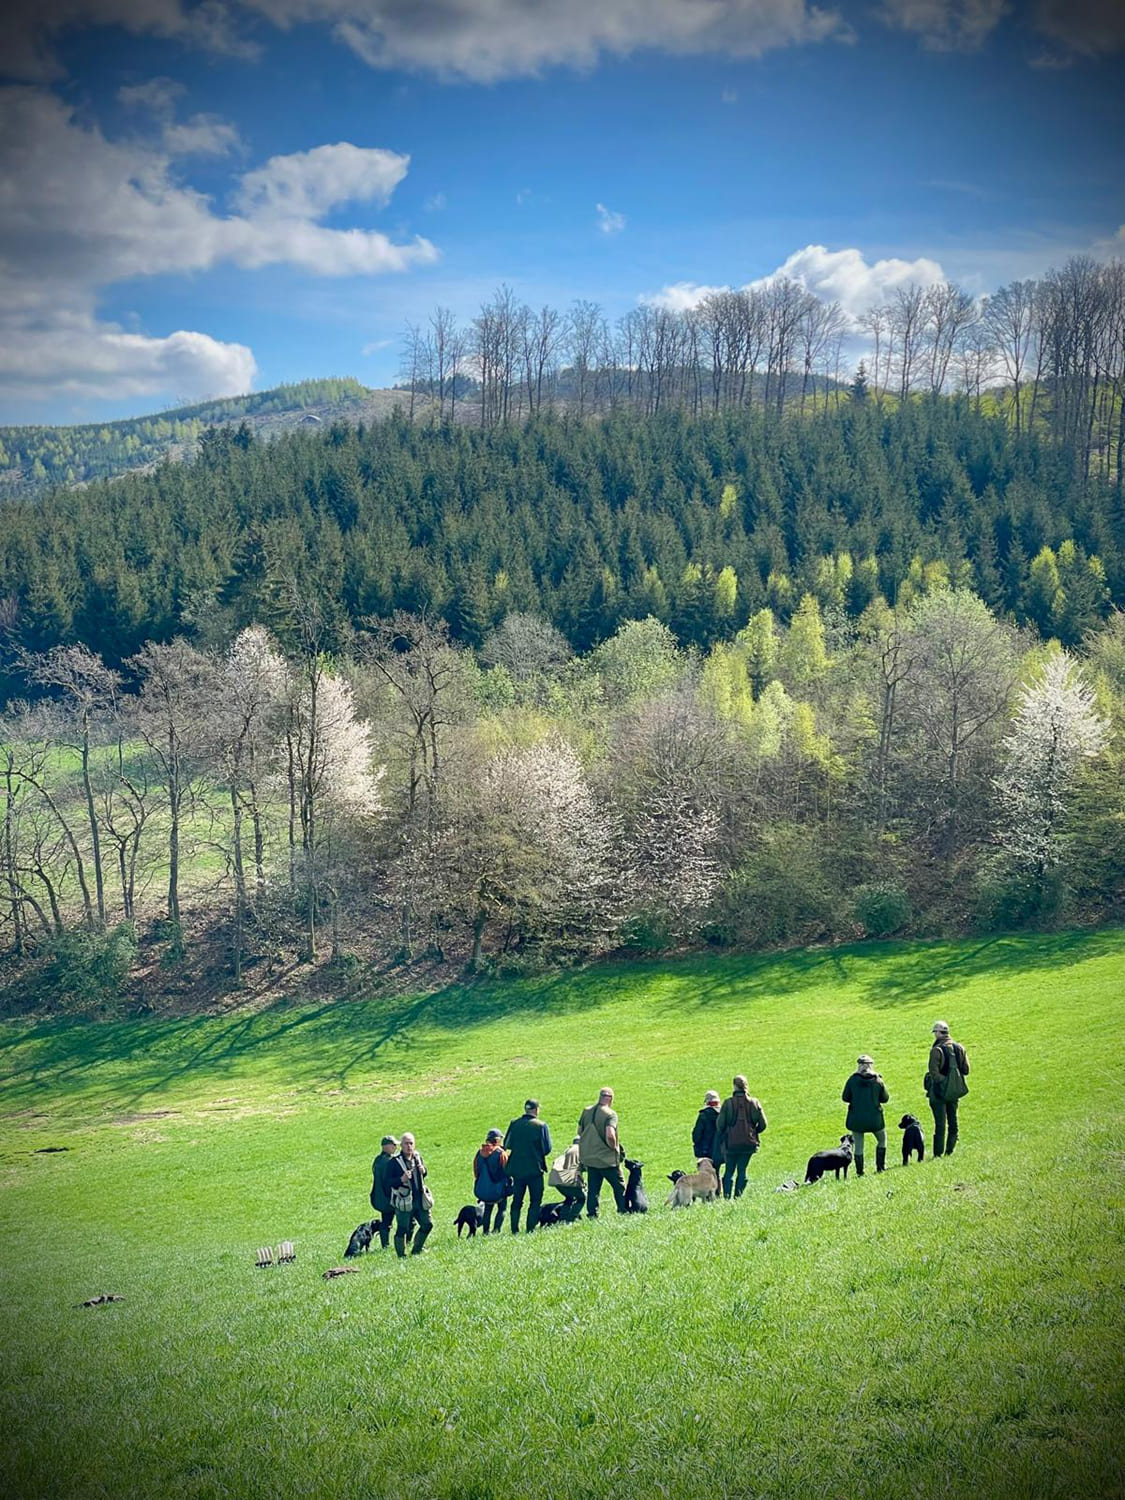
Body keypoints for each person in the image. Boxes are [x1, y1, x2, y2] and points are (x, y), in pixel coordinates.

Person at [503, 1099, 553, 1233]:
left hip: (517, 1170)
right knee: (535, 1200)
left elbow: (507, 1144)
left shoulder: (514, 1124)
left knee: (517, 1200)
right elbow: (547, 1148)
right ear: (536, 1109)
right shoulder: (541, 1126)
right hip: (535, 1169)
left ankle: (514, 1229)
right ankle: (530, 1228)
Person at [577, 1087, 628, 1217]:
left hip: (590, 1158)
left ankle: (592, 1214)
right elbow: (610, 1134)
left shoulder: (586, 1111)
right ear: (610, 1099)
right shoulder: (610, 1114)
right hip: (606, 1159)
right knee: (619, 1187)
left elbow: (579, 1132)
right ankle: (623, 1210)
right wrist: (614, 1147)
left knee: (594, 1189)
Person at [714, 1075, 767, 1198]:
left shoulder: (728, 1103)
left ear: (734, 1086)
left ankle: (727, 1198)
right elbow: (764, 1124)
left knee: (729, 1171)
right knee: (742, 1171)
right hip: (748, 1144)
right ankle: (738, 1197)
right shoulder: (754, 1103)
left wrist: (725, 1135)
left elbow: (720, 1125)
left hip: (731, 1144)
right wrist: (753, 1132)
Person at [926, 1020, 970, 1157]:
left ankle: (938, 1154)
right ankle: (949, 1151)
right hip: (954, 1091)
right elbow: (966, 1070)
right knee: (953, 1121)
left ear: (939, 1033)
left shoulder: (936, 1050)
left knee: (940, 1124)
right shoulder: (959, 1048)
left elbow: (933, 1073)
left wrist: (943, 1082)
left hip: (938, 1092)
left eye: (935, 1032)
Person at [386, 1132, 432, 1257]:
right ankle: (401, 1255)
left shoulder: (418, 1157)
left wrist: (424, 1171)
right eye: (406, 1143)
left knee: (427, 1225)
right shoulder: (394, 1162)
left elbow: (423, 1174)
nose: (409, 1146)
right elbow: (388, 1182)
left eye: (411, 1143)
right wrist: (401, 1179)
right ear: (401, 1145)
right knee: (402, 1229)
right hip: (404, 1201)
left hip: (419, 1200)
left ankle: (417, 1249)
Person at [842, 1054, 889, 1175]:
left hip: (856, 1119)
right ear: (871, 1066)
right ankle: (880, 1167)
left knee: (858, 1147)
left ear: (859, 1066)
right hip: (875, 1120)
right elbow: (885, 1099)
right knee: (882, 1140)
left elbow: (845, 1097)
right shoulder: (878, 1081)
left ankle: (860, 1172)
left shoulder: (852, 1080)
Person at [472, 1128, 510, 1234]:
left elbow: (476, 1171)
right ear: (497, 1140)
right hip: (499, 1188)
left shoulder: (479, 1153)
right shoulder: (501, 1153)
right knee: (502, 1209)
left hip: (484, 1188)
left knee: (488, 1210)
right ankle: (496, 1230)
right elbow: (506, 1170)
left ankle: (485, 1231)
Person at [369, 1133, 399, 1249]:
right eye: (393, 1145)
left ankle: (385, 1245)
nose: (395, 1147)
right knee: (404, 1221)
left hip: (380, 1197)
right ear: (386, 1146)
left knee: (386, 1222)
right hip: (390, 1197)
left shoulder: (378, 1160)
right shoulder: (389, 1161)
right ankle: (405, 1243)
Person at [548, 1135, 586, 1221]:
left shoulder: (568, 1150)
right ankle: (571, 1218)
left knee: (569, 1198)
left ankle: (563, 1218)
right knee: (582, 1198)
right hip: (567, 1180)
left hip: (555, 1179)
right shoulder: (581, 1150)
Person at [692, 1089, 722, 1169]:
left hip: (705, 1150)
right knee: (716, 1171)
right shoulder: (723, 1115)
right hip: (719, 1150)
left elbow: (696, 1134)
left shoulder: (703, 1115)